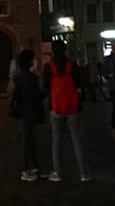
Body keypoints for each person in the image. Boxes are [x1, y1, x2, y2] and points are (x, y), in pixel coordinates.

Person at [44, 41, 89, 182]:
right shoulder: (72, 65)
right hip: (72, 107)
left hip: (55, 108)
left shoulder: (48, 67)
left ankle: (57, 172)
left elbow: (45, 87)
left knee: (57, 141)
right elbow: (80, 84)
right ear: (65, 50)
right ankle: (83, 174)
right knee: (77, 140)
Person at [10, 49, 45, 182]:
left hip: (26, 112)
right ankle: (25, 170)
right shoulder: (28, 78)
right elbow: (33, 95)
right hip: (28, 112)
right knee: (27, 140)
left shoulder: (22, 76)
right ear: (30, 61)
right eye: (34, 58)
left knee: (31, 140)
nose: (36, 60)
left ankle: (34, 167)